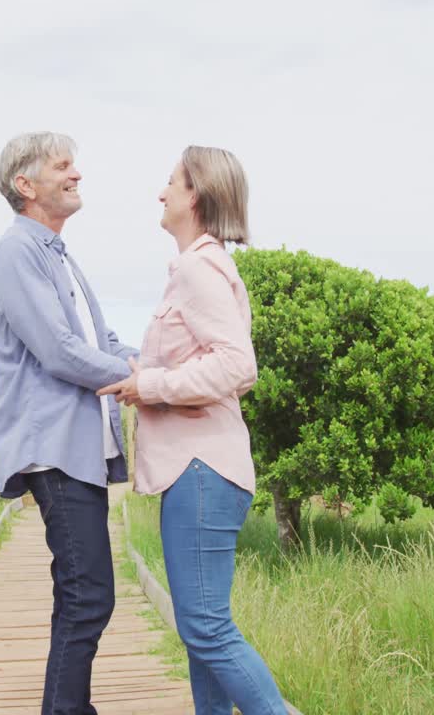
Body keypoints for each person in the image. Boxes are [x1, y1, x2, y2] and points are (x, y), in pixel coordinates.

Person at [99, 145, 288, 714]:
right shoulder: (202, 266)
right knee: (199, 631)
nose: (161, 193)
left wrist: (150, 386)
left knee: (206, 627)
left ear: (196, 196)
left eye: (171, 183)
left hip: (202, 470)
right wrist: (148, 375)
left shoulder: (196, 265)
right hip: (203, 470)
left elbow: (237, 365)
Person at [0, 131, 139, 715]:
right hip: (54, 448)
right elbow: (59, 350)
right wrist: (138, 382)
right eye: (63, 166)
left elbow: (103, 342)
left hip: (79, 448)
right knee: (88, 593)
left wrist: (162, 368)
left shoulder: (58, 253)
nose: (77, 175)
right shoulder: (16, 253)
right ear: (26, 185)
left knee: (82, 593)